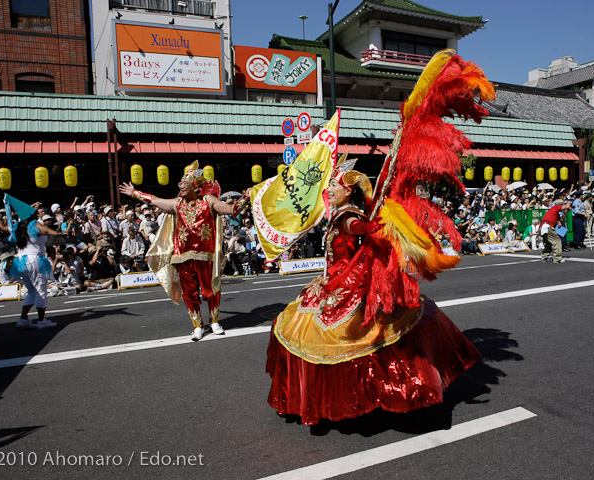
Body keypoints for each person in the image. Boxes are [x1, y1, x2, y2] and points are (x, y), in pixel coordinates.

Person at [266, 165, 481, 425]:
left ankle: (384, 392)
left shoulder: (348, 215)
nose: (329, 189)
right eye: (330, 185)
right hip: (334, 281)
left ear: (348, 191)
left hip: (349, 283)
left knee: (343, 335)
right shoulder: (339, 213)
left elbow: (357, 227)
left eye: (334, 185)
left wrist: (376, 224)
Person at [119, 161, 246, 341]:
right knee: (189, 292)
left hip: (206, 254)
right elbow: (155, 200)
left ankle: (215, 321)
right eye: (181, 184)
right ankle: (197, 325)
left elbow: (231, 210)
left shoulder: (208, 201)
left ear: (196, 186)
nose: (181, 187)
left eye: (185, 183)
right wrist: (135, 194)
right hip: (182, 256)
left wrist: (247, 199)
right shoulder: (177, 204)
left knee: (211, 289)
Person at [0, 201, 63, 329]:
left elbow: (3, 227)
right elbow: (46, 230)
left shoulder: (18, 227)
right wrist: (58, 234)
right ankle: (42, 320)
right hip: (35, 259)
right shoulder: (34, 225)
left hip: (21, 261)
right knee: (40, 290)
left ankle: (23, 319)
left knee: (32, 291)